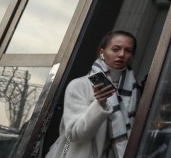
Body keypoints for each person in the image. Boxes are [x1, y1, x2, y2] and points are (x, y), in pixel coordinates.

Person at [48, 30, 142, 158]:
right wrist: (100, 105)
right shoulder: (79, 85)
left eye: (128, 51)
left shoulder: (135, 91)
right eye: (116, 49)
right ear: (102, 53)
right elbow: (74, 135)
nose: (121, 54)